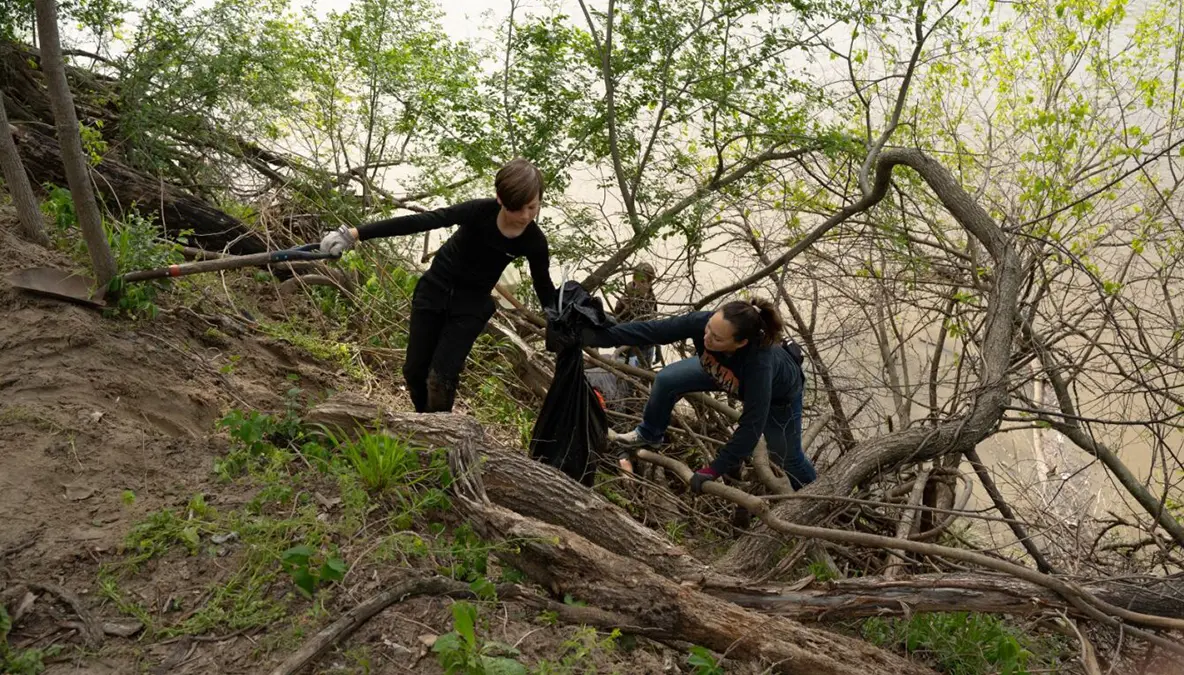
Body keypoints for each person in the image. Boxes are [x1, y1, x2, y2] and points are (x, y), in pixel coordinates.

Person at [319, 158, 556, 413]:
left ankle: (442, 432)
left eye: (532, 207)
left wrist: (560, 319)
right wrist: (353, 234)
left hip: (471, 304)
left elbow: (543, 285)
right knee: (414, 372)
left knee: (441, 378)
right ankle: (425, 422)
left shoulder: (534, 241)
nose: (525, 216)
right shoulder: (479, 212)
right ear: (500, 198)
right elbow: (424, 221)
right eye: (517, 208)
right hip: (435, 289)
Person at [587, 296, 816, 493]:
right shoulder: (705, 323)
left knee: (787, 457)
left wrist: (714, 469)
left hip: (779, 399)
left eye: (717, 338)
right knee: (667, 380)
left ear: (740, 343)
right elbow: (653, 331)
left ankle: (815, 496)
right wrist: (598, 337)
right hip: (720, 370)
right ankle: (648, 434)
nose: (707, 338)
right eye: (708, 329)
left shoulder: (759, 365)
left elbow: (751, 426)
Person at [611, 262, 659, 368]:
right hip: (632, 351)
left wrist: (658, 346)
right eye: (636, 281)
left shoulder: (651, 298)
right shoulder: (625, 301)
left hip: (648, 346)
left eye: (643, 282)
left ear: (650, 282)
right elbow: (617, 327)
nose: (638, 286)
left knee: (646, 375)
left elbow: (654, 321)